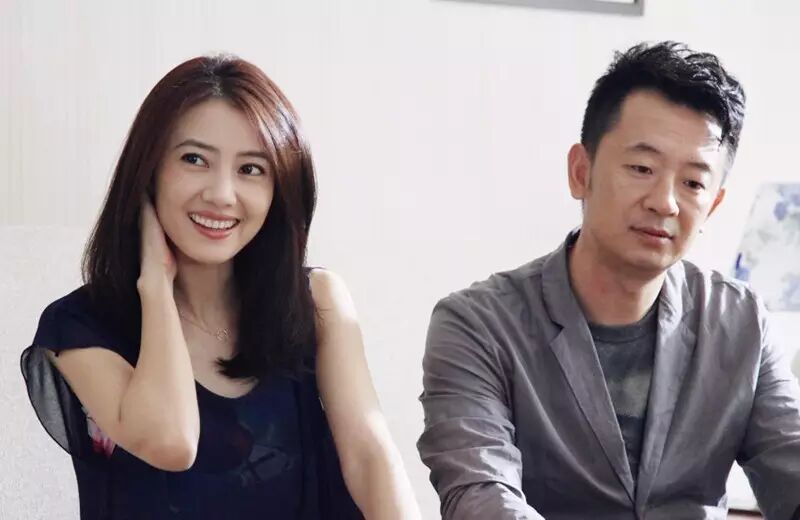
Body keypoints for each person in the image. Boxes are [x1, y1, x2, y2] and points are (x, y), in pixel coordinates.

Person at [22, 54, 420, 520]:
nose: (221, 194)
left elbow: (370, 456)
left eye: (251, 169)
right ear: (148, 173)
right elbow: (170, 441)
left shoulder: (317, 302)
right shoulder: (80, 326)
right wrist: (156, 285)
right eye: (194, 160)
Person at [417, 41, 800, 519]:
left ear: (714, 205)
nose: (665, 202)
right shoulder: (477, 325)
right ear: (581, 172)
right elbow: (479, 494)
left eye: (693, 183)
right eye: (642, 168)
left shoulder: (741, 322)